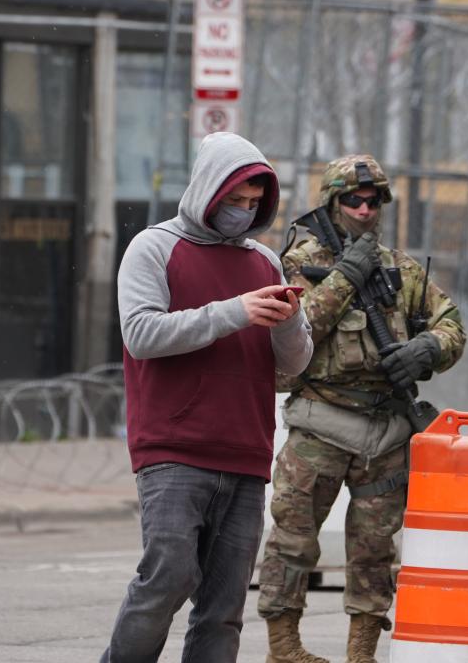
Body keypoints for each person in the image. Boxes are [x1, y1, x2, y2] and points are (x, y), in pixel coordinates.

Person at [101, 132, 314, 663]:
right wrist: (234, 311)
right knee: (166, 579)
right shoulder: (154, 246)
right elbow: (142, 334)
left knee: (223, 608)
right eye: (233, 201)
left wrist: (287, 324)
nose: (243, 214)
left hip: (244, 452)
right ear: (206, 191)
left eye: (252, 205)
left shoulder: (265, 263)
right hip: (173, 448)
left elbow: (297, 363)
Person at [257, 154, 466, 663]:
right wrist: (345, 276)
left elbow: (451, 324)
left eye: (374, 201)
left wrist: (428, 349)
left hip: (386, 433)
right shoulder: (301, 264)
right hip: (320, 425)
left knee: (374, 552)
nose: (366, 209)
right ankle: (284, 648)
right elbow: (296, 327)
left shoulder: (402, 269)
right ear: (333, 202)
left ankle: (362, 654)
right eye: (354, 200)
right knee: (293, 540)